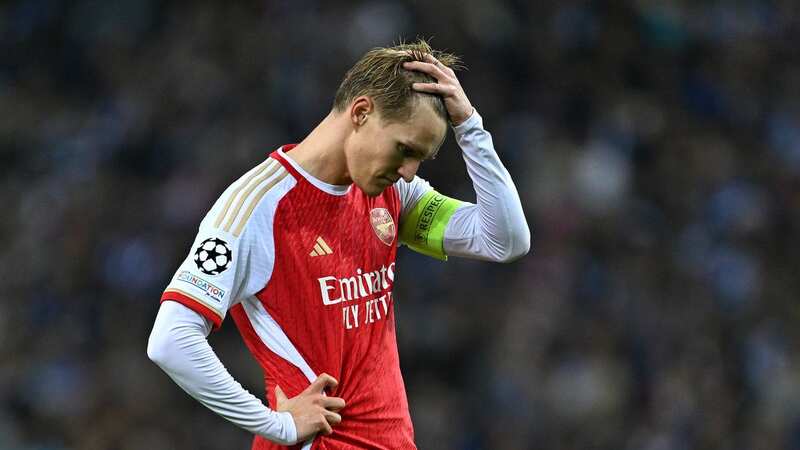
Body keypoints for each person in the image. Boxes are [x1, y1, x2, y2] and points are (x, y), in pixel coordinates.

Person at [147, 40, 530, 449]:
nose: (407, 172)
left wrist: (469, 126)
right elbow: (171, 340)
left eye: (420, 158)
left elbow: (503, 239)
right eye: (404, 150)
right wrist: (276, 424)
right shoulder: (258, 207)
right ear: (362, 113)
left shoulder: (392, 197)